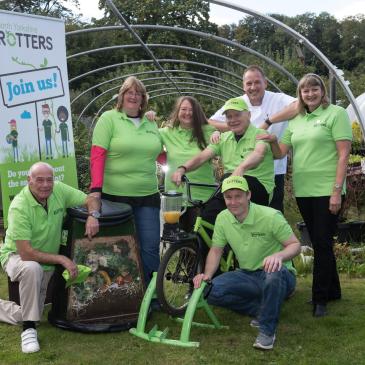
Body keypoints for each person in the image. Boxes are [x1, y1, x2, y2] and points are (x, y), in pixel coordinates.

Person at [258, 73, 352, 317]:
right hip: (304, 190)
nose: (309, 94)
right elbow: (280, 153)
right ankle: (333, 290)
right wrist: (270, 140)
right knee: (322, 241)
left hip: (327, 189)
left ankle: (319, 299)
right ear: (300, 95)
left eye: (314, 89)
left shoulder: (336, 114)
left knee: (320, 242)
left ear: (322, 91)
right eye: (305, 91)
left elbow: (343, 155)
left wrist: (336, 191)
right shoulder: (296, 120)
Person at [0, 162, 100, 353]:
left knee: (30, 313)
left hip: (44, 263)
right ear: (29, 181)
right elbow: (25, 253)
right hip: (15, 256)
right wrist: (62, 259)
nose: (45, 185)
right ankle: (28, 331)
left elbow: (91, 199)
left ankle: (28, 319)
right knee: (32, 268)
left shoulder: (59, 190)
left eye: (49, 180)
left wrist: (93, 215)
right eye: (39, 180)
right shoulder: (19, 206)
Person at [193, 176, 300, 350]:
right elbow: (216, 250)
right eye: (228, 197)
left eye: (238, 196)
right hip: (247, 274)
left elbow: (295, 246)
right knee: (207, 290)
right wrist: (207, 276)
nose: (233, 202)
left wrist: (279, 256)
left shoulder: (270, 216)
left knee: (273, 274)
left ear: (248, 195)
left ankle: (267, 331)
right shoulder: (222, 218)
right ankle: (263, 309)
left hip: (278, 275)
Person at [90, 76, 162, 284]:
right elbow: (97, 154)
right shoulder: (109, 118)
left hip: (148, 195)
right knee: (118, 247)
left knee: (149, 247)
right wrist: (96, 189)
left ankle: (151, 295)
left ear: (143, 99)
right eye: (129, 92)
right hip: (115, 197)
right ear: (121, 97)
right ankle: (120, 293)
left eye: (138, 93)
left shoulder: (150, 123)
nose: (133, 96)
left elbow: (159, 152)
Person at [172, 97, 274, 225]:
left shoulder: (260, 133)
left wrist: (241, 169)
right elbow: (202, 157)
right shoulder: (224, 138)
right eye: (229, 117)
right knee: (206, 218)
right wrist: (182, 169)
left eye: (237, 115)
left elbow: (258, 153)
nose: (233, 120)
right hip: (230, 185)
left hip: (256, 187)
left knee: (222, 208)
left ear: (248, 115)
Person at [208, 65, 297, 212]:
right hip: (242, 173)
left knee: (273, 214)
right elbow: (211, 122)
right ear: (243, 86)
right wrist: (235, 126)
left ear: (265, 83)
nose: (253, 87)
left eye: (257, 82)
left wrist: (269, 121)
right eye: (249, 83)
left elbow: (299, 105)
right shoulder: (238, 103)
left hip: (274, 171)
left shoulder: (277, 99)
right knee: (242, 216)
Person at [159, 96, 216, 231]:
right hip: (175, 196)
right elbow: (146, 138)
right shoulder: (166, 132)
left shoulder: (208, 131)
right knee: (179, 242)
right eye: (183, 109)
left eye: (192, 110)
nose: (187, 113)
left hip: (202, 196)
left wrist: (218, 132)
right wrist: (148, 119)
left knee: (199, 241)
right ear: (177, 112)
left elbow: (228, 133)